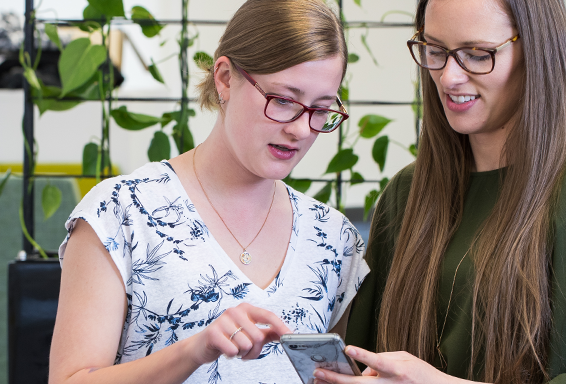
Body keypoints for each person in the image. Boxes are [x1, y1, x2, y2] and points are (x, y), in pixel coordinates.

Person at [322, 0, 566, 383]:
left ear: (536, 52)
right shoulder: (406, 197)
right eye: (436, 51)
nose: (448, 78)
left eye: (477, 55)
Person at [48, 1, 370, 383]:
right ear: (224, 78)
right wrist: (193, 350)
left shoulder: (332, 238)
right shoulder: (121, 212)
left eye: (320, 109)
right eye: (283, 100)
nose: (301, 130)